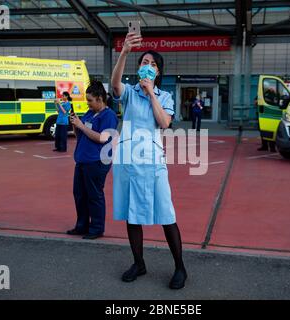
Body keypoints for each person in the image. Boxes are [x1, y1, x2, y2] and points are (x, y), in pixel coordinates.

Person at [111, 32, 187, 289]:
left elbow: (164, 122)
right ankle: (139, 263)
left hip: (153, 163)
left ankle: (180, 267)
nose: (148, 66)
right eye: (144, 62)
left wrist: (151, 93)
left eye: (153, 64)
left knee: (166, 214)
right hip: (128, 162)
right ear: (139, 68)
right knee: (132, 215)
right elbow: (114, 85)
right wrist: (124, 52)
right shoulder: (129, 93)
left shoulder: (164, 97)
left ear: (158, 72)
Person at [67, 81, 119, 240]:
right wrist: (76, 125)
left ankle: (96, 228)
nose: (87, 103)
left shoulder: (109, 116)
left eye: (90, 100)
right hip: (83, 160)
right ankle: (82, 225)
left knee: (94, 195)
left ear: (100, 99)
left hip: (96, 161)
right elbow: (80, 136)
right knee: (79, 194)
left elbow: (103, 138)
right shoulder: (89, 114)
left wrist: (82, 126)